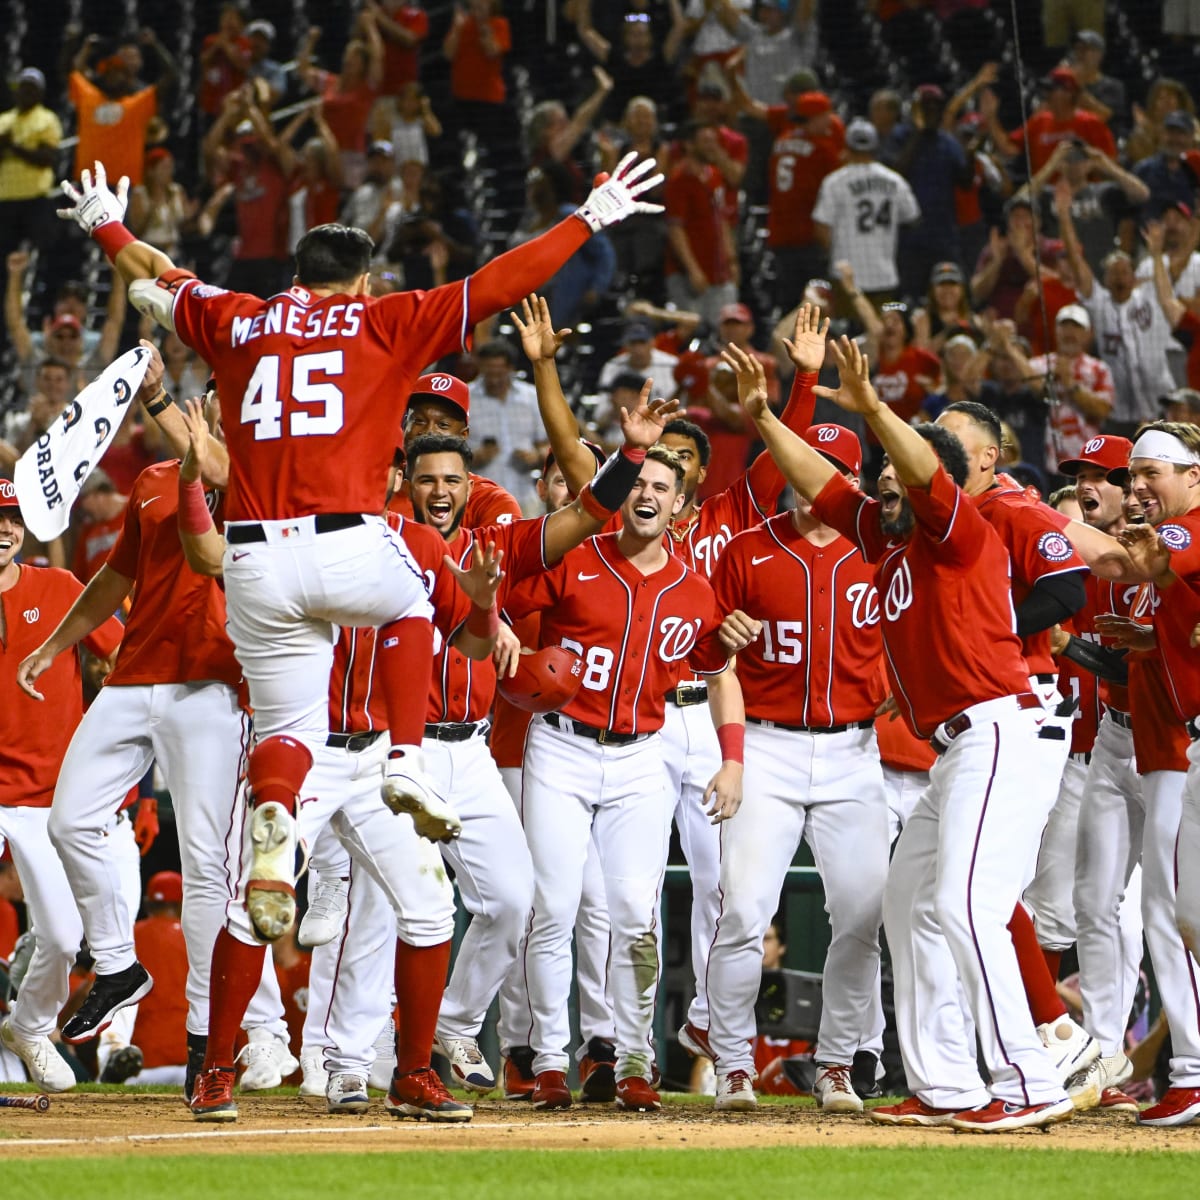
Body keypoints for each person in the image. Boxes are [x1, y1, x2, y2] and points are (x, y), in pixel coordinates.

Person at [55, 151, 664, 1026]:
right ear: (364, 280)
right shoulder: (383, 323)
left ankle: (275, 817)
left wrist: (102, 225)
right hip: (347, 543)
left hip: (254, 559)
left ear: (297, 275)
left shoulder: (239, 319)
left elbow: (160, 274)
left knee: (287, 732)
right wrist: (589, 215)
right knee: (415, 590)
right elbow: (498, 283)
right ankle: (409, 760)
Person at [741, 336, 1074, 1131]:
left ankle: (1031, 1081)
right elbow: (818, 483)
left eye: (896, 472)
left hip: (1000, 730)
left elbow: (924, 469)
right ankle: (948, 1084)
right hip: (957, 749)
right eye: (880, 473)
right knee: (908, 908)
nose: (882, 479)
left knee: (965, 904)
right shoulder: (885, 539)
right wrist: (761, 416)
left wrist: (877, 409)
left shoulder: (955, 530)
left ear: (940, 484)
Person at [17, 357, 295, 1093]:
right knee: (70, 819)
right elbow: (116, 578)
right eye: (213, 397)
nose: (216, 409)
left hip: (212, 683)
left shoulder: (267, 479)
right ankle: (118, 965)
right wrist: (55, 644)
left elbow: (214, 464)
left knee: (209, 867)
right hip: (136, 673)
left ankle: (216, 1034)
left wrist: (163, 400)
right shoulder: (148, 480)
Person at [501, 445, 744, 1113]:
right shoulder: (578, 558)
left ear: (678, 504)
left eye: (663, 487)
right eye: (638, 481)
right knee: (553, 907)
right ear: (620, 492)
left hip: (642, 755)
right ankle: (550, 1059)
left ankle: (636, 1059)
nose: (649, 493)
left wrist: (732, 753)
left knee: (636, 916)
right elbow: (500, 599)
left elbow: (714, 665)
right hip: (559, 747)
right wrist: (498, 630)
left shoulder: (695, 590)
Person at [705, 386, 888, 1115]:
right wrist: (720, 641)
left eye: (831, 474)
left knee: (861, 916)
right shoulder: (748, 551)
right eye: (807, 468)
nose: (815, 484)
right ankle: (730, 1064)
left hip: (854, 751)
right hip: (769, 747)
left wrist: (888, 704)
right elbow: (704, 657)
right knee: (744, 912)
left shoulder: (877, 552)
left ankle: (838, 1063)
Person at [0, 479, 122, 1092]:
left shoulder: (60, 588)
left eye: (12, 520)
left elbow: (123, 660)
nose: (4, 529)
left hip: (44, 795)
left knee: (64, 935)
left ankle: (28, 1024)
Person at [1054, 181, 1176, 436]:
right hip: (1119, 414)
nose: (1120, 276)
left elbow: (1166, 284)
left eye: (1125, 271)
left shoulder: (1149, 298)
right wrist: (1065, 217)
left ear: (1134, 277)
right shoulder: (1100, 304)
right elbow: (1078, 264)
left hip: (1160, 406)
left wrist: (1155, 254)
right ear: (1106, 279)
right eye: (1114, 272)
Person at [812, 120, 920, 310]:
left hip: (846, 276)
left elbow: (821, 228)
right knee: (882, 336)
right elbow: (913, 217)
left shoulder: (835, 182)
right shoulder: (894, 180)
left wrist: (836, 252)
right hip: (884, 274)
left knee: (845, 336)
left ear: (848, 146)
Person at [466, 340, 547, 514]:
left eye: (499, 373)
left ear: (510, 368)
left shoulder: (531, 396)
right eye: (489, 373)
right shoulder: (465, 397)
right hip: (482, 498)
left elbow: (546, 444)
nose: (494, 380)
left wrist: (536, 456)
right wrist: (473, 457)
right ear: (480, 367)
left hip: (525, 495)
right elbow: (452, 448)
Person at [0, 68, 63, 262]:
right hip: (6, 197)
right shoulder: (4, 120)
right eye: (23, 87)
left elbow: (46, 158)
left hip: (35, 197)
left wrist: (12, 146)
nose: (26, 92)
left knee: (41, 253)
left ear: (40, 93)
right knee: (4, 253)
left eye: (32, 88)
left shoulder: (47, 119)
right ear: (16, 91)